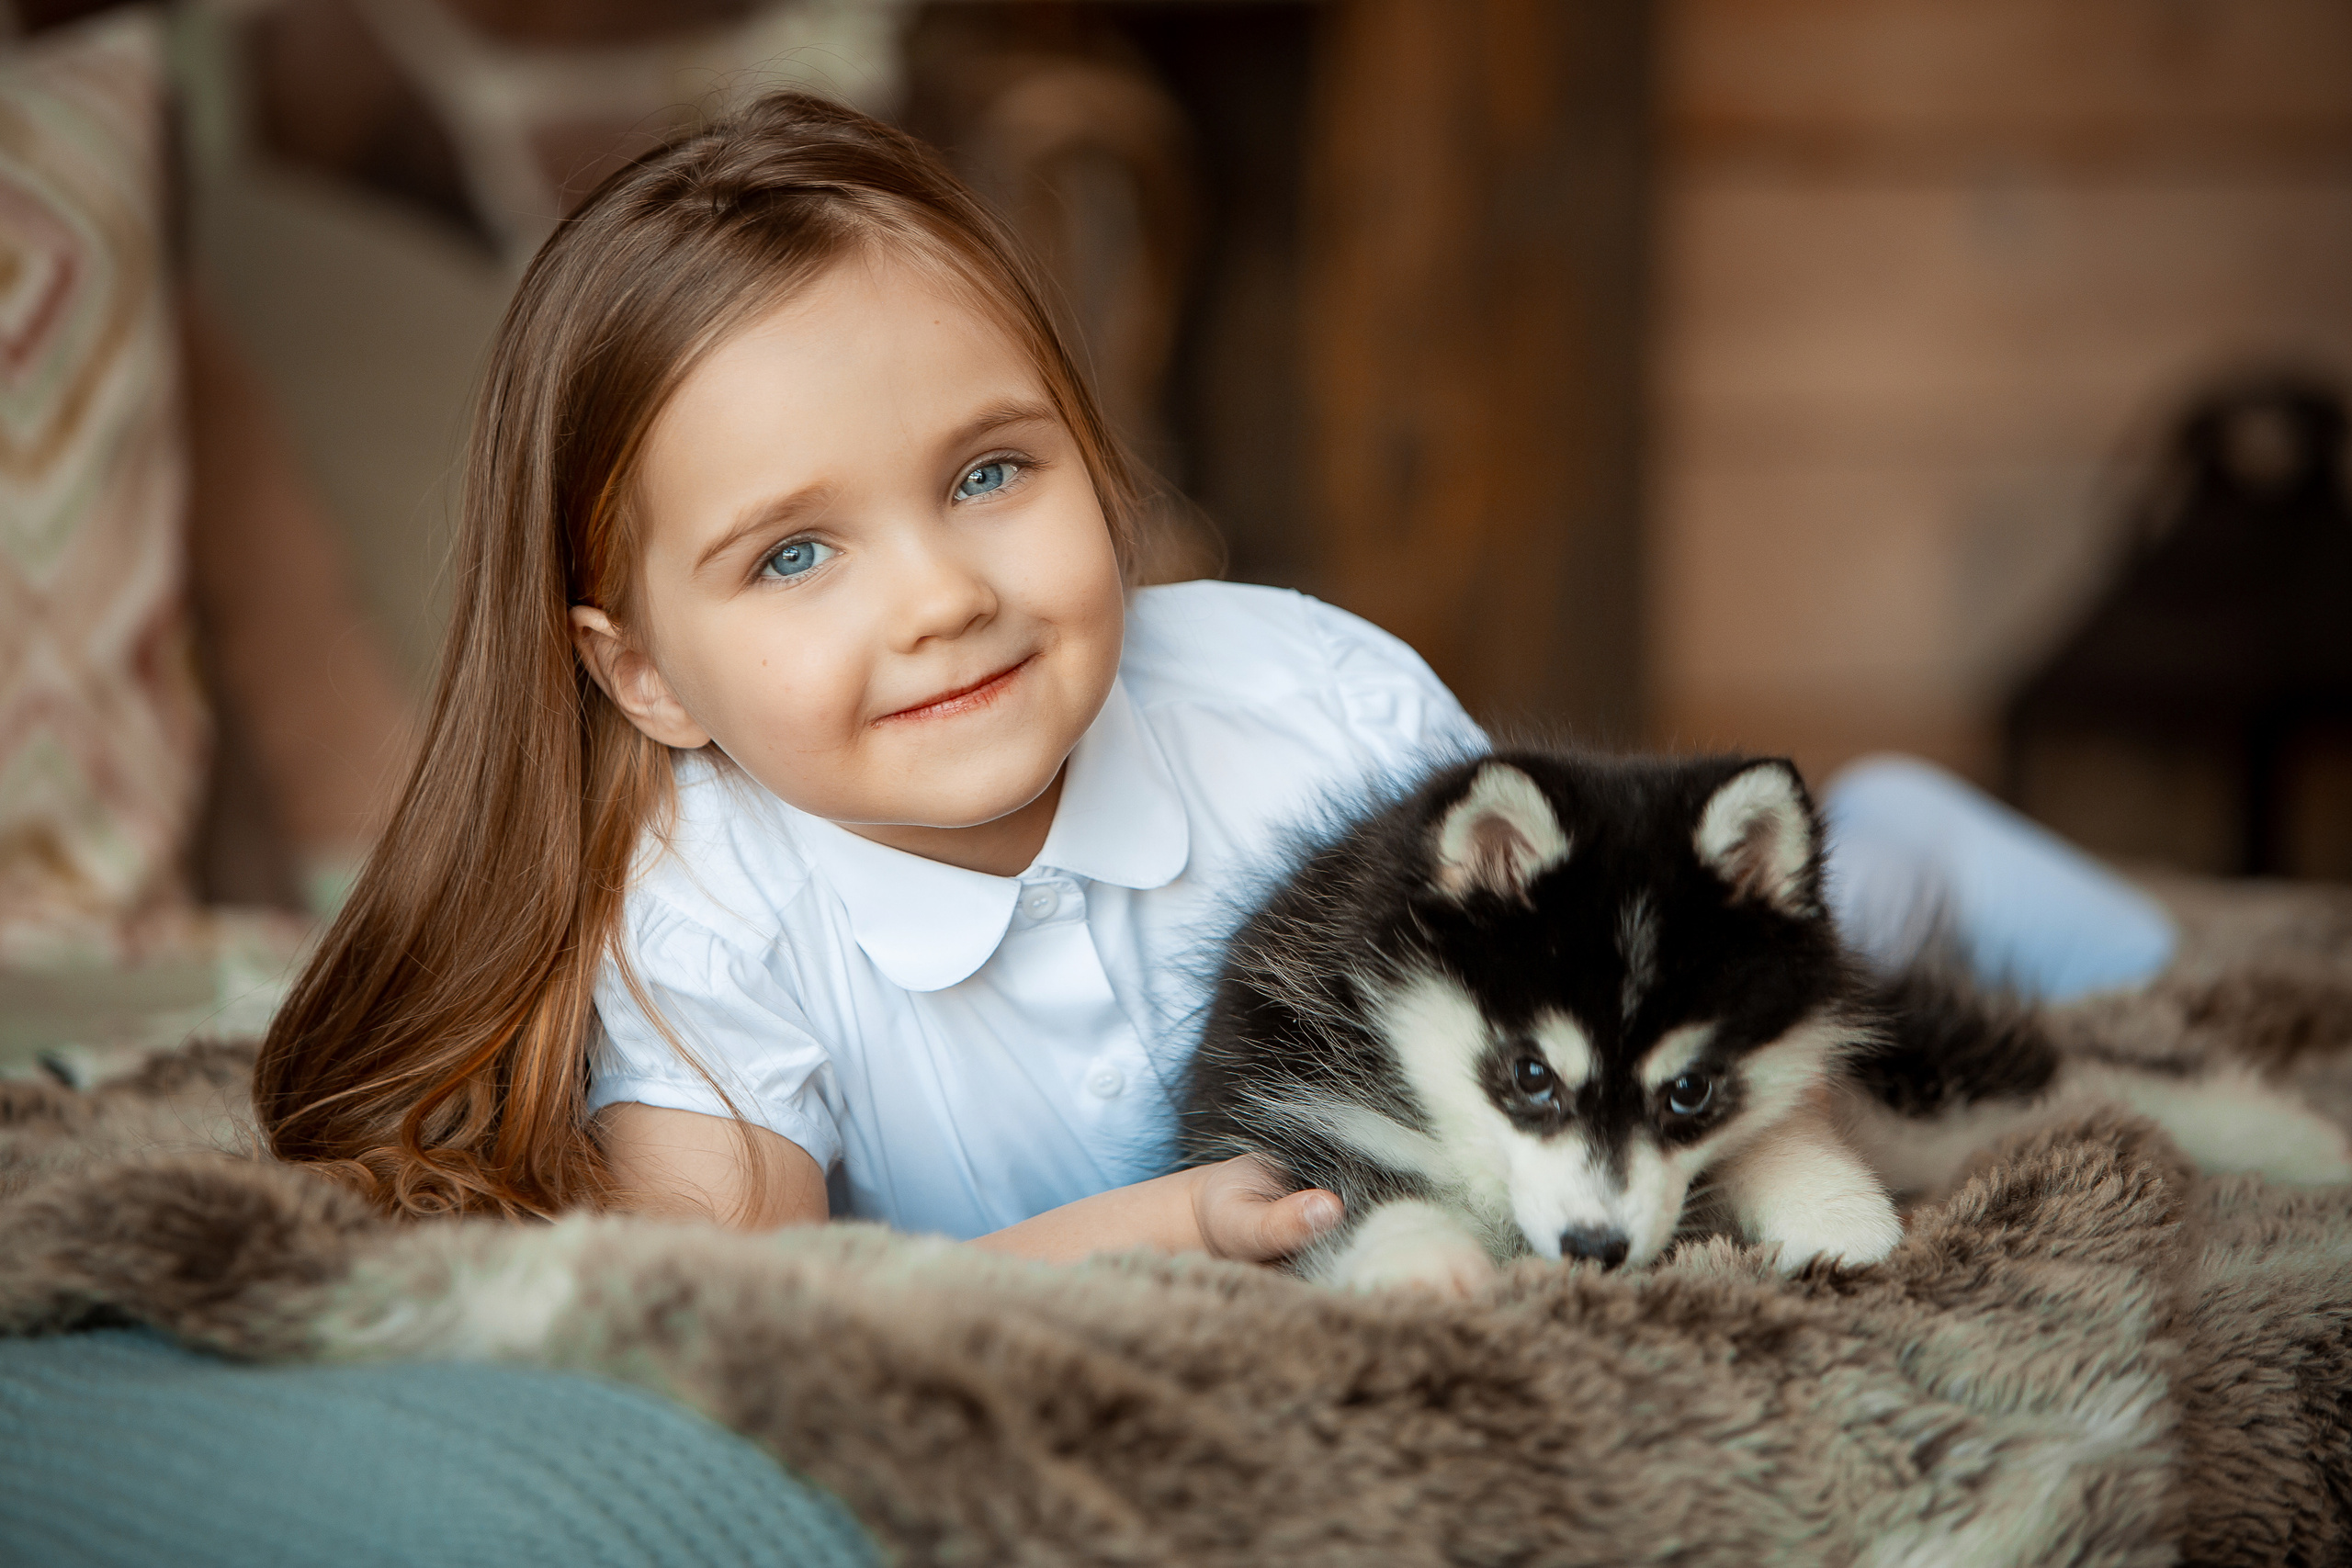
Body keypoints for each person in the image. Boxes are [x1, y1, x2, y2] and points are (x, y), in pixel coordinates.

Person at [253, 90, 2177, 1259]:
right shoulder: (711, 921)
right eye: (795, 552)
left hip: (1613, 1003)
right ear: (643, 675)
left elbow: (1584, 993)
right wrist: (1153, 1231)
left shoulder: (1305, 703)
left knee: (1885, 1018)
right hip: (1180, 1223)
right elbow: (738, 1305)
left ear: (1095, 457)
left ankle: (1915, 858)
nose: (939, 593)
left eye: (989, 470)